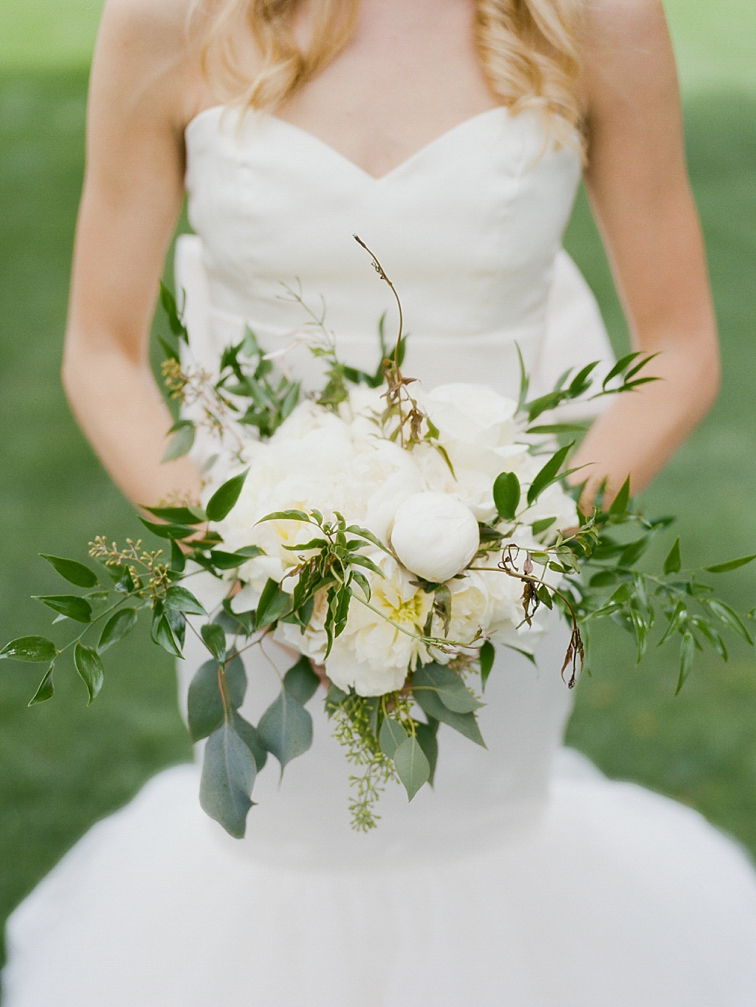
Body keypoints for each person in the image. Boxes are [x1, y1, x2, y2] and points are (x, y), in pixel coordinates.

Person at [4, 0, 756, 1003]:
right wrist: (238, 558)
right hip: (250, 591)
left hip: (503, 594)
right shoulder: (170, 18)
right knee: (287, 855)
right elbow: (100, 348)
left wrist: (525, 547)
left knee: (484, 844)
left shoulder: (596, 16)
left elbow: (679, 343)